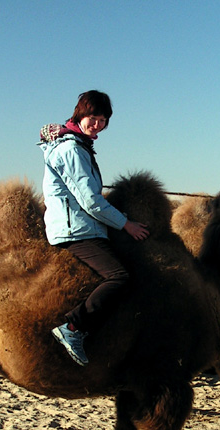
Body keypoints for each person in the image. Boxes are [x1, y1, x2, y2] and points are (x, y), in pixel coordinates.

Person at [39, 90, 149, 366]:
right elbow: (91, 201)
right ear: (80, 115)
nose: (97, 124)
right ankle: (73, 328)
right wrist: (127, 224)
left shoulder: (76, 144)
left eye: (102, 120)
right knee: (120, 277)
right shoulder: (72, 149)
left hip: (79, 225)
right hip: (75, 230)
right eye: (92, 118)